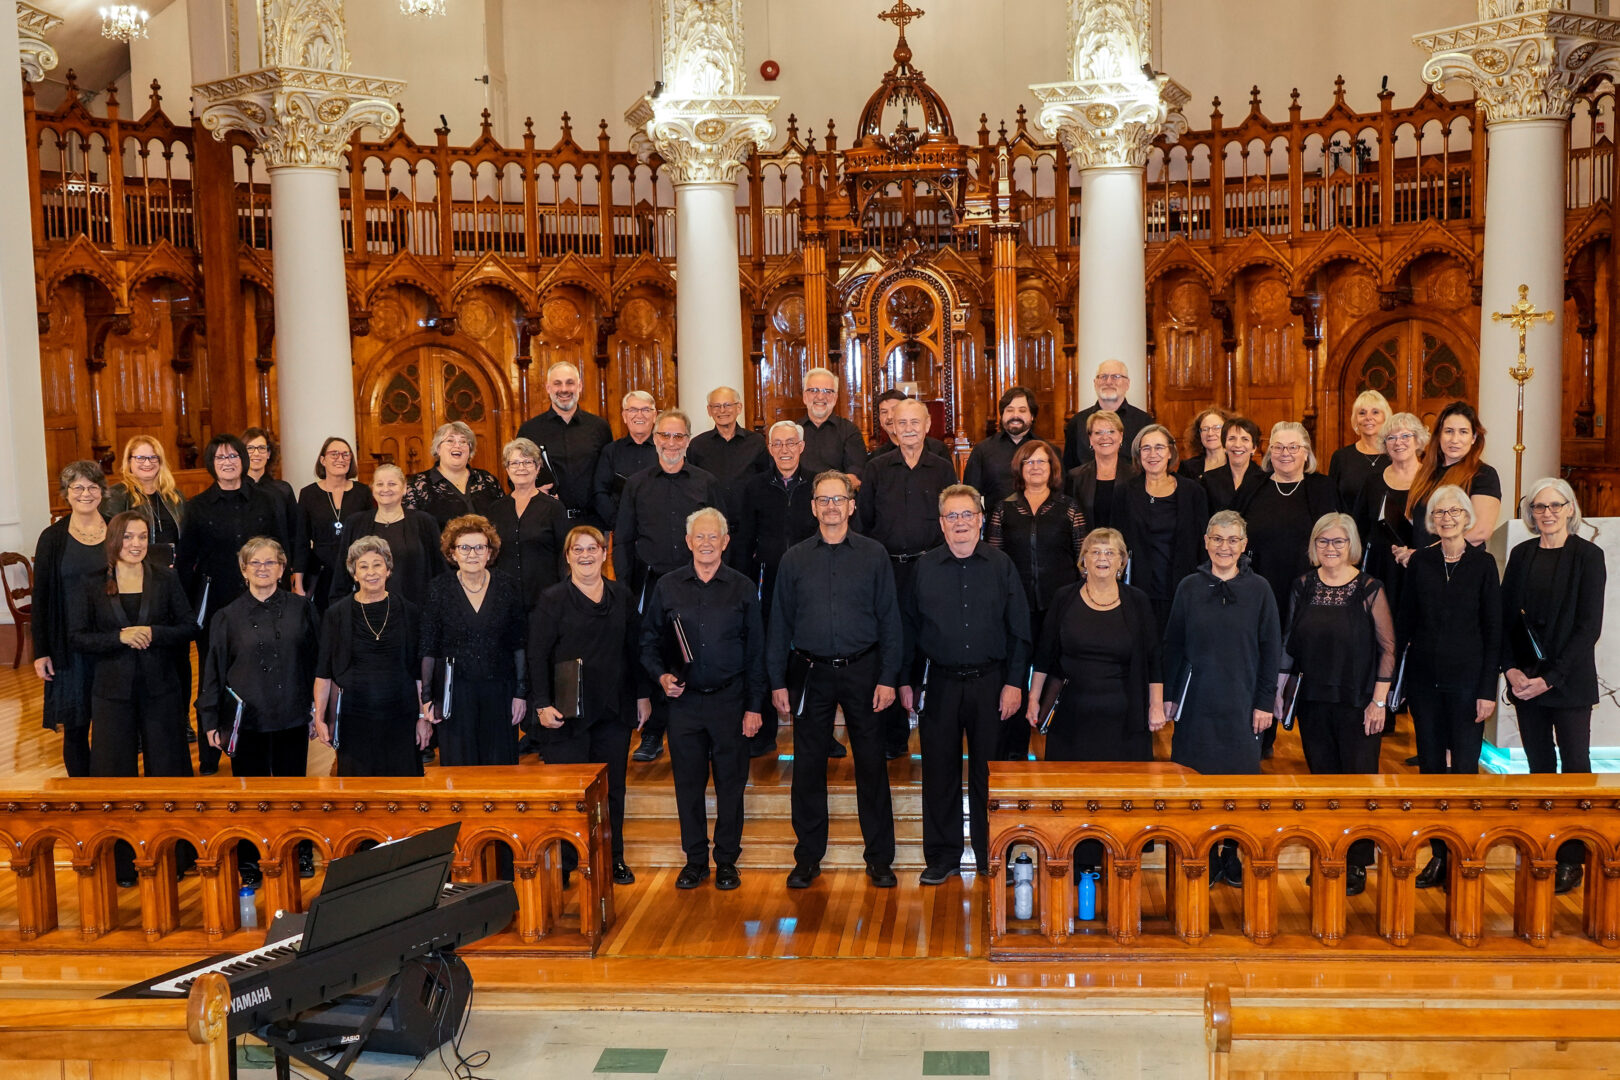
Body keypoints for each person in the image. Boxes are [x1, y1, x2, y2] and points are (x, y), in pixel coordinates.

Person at [768, 471, 903, 890]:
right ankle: (808, 857)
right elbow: (779, 624)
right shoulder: (793, 559)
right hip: (810, 674)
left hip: (865, 671)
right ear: (813, 507)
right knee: (807, 769)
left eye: (837, 500)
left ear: (851, 505)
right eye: (822, 500)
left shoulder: (874, 554)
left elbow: (890, 621)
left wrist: (888, 678)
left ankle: (879, 858)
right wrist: (776, 681)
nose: (830, 507)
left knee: (871, 767)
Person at [901, 485, 1030, 884]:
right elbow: (909, 629)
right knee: (938, 772)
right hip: (939, 683)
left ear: (980, 519)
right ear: (941, 524)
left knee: (989, 775)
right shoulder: (923, 568)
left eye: (966, 515)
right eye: (951, 517)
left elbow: (1020, 631)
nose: (960, 523)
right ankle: (942, 857)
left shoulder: (1001, 565)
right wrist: (906, 681)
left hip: (991, 684)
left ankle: (994, 855)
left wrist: (1014, 684)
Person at [640, 507, 765, 890]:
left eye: (714, 537)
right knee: (688, 786)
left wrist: (754, 706)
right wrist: (661, 677)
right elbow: (647, 644)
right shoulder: (668, 586)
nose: (707, 543)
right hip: (685, 705)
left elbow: (756, 651)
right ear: (688, 541)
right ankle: (695, 860)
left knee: (731, 786)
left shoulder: (743, 587)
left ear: (726, 542)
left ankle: (726, 860)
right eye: (700, 537)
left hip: (731, 702)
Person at [1162, 510, 1281, 887]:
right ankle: (1203, 854)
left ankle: (1231, 855)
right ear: (1206, 542)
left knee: (1238, 788)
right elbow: (1174, 645)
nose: (1224, 547)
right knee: (1196, 784)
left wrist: (1265, 702)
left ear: (1244, 545)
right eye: (1217, 539)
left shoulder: (1260, 589)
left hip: (1242, 702)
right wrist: (1168, 696)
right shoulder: (1188, 587)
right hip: (1197, 702)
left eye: (1232, 540)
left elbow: (1271, 649)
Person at [1278, 513, 1395, 896]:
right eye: (1324, 541)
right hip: (1314, 701)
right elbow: (1288, 644)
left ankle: (1357, 862)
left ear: (1352, 546)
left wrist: (1380, 701)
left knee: (1358, 785)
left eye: (1338, 542)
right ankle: (1329, 855)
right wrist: (1280, 692)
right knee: (1323, 782)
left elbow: (1388, 649)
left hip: (1358, 702)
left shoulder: (1368, 588)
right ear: (1314, 545)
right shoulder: (1303, 586)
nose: (1331, 548)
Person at [1501, 478, 1606, 895]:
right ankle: (1541, 851)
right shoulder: (1521, 554)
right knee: (1538, 769)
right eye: (1539, 507)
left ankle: (1573, 857)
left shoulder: (1589, 556)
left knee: (1576, 769)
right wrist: (1511, 670)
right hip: (1526, 682)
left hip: (1569, 681)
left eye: (1554, 506)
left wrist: (1551, 678)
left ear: (1569, 509)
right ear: (1530, 513)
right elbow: (1506, 618)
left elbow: (1588, 629)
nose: (1546, 513)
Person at [196, 537, 320, 884]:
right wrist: (210, 719)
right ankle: (251, 862)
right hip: (245, 721)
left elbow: (318, 662)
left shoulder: (302, 609)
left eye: (270, 563)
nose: (263, 569)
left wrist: (318, 710)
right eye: (255, 563)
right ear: (244, 569)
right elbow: (214, 672)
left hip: (292, 715)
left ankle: (298, 854)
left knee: (293, 792)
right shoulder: (227, 616)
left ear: (282, 569)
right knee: (249, 797)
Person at [529, 526, 648, 886]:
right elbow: (537, 655)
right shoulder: (552, 598)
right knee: (570, 793)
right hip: (566, 714)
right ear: (567, 556)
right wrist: (541, 704)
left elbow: (635, 650)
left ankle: (614, 859)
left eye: (592, 548)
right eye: (577, 549)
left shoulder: (621, 595)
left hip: (613, 709)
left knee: (613, 791)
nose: (585, 555)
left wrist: (642, 695)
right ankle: (569, 865)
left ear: (604, 553)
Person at [1399, 486, 1501, 891]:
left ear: (1467, 517)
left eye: (1455, 511)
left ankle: (1464, 857)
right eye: (1440, 512)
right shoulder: (1421, 562)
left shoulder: (1484, 564)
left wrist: (1487, 690)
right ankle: (1439, 855)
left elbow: (1493, 631)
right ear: (1432, 520)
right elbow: (1406, 624)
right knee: (1429, 771)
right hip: (1425, 682)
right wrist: (1399, 685)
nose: (1447, 517)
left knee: (1462, 771)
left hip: (1467, 683)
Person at [179, 434, 293, 774]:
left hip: (264, 601)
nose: (227, 463)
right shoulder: (197, 506)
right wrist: (185, 610)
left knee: (263, 672)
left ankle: (259, 744)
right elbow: (186, 562)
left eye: (233, 457)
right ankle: (210, 754)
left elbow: (280, 549)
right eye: (220, 458)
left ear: (244, 460)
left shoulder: (267, 501)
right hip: (216, 603)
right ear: (211, 465)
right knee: (211, 678)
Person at [613, 408, 724, 762]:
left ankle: (699, 730)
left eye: (679, 436)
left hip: (697, 582)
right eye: (665, 436)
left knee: (695, 654)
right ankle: (653, 733)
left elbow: (722, 534)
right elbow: (623, 539)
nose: (671, 443)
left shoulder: (706, 481)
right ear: (655, 439)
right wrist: (626, 590)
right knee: (652, 656)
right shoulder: (637, 483)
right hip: (652, 583)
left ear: (688, 440)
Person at [858, 397, 956, 759]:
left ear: (928, 426)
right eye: (902, 423)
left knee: (928, 642)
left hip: (931, 569)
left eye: (916, 422)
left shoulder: (943, 468)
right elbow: (864, 522)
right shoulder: (877, 468)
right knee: (892, 646)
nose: (909, 429)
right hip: (888, 569)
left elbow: (952, 516)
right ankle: (894, 736)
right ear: (892, 428)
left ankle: (931, 727)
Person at [70, 511, 195, 779]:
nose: (136, 544)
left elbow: (189, 627)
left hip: (161, 687)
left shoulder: (166, 578)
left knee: (168, 768)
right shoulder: (91, 583)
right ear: (113, 540)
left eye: (141, 537)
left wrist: (154, 632)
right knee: (112, 772)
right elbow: (77, 637)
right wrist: (119, 638)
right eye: (127, 537)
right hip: (111, 690)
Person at [1027, 528, 1166, 765]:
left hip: (1125, 719)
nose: (1103, 558)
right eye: (1096, 552)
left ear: (1122, 561)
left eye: (1110, 553)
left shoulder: (1138, 601)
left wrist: (1156, 706)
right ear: (1084, 559)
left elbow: (1153, 658)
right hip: (1070, 718)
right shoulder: (1064, 598)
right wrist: (1033, 699)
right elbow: (1044, 655)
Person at [986, 438, 1084, 762]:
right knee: (1014, 675)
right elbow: (995, 561)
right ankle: (1014, 746)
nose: (1036, 467)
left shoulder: (1068, 508)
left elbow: (1083, 560)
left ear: (1052, 469)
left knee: (1058, 671)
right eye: (1030, 462)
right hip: (1017, 606)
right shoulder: (1004, 508)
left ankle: (1059, 743)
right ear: (1020, 468)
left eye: (1042, 462)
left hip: (1060, 606)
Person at [731, 420, 822, 758]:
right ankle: (765, 731)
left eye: (791, 443)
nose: (785, 449)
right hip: (766, 581)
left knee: (811, 653)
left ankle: (818, 732)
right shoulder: (753, 487)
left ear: (802, 446)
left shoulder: (817, 483)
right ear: (769, 448)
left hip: (810, 580)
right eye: (778, 444)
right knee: (769, 650)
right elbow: (743, 541)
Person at [313, 536, 431, 777]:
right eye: (363, 566)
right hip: (353, 718)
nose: (371, 572)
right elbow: (324, 673)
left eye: (377, 564)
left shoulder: (410, 611)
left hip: (401, 715)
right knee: (358, 796)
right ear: (354, 574)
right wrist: (320, 718)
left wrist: (422, 717)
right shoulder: (336, 614)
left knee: (404, 793)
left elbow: (419, 672)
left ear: (388, 569)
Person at [419, 515, 528, 767]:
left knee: (500, 767)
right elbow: (429, 645)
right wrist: (427, 696)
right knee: (459, 768)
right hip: (454, 693)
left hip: (500, 690)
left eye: (480, 547)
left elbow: (519, 642)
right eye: (464, 547)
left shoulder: (507, 586)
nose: (472, 554)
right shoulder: (438, 588)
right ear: (452, 553)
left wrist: (520, 694)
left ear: (490, 552)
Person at [32, 461, 110, 775]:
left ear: (102, 492)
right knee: (77, 725)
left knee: (113, 721)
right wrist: (41, 651)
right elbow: (42, 598)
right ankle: (83, 792)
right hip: (68, 645)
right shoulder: (53, 538)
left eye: (92, 487)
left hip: (111, 640)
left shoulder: (118, 529)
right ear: (66, 494)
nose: (85, 493)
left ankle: (113, 790)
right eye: (77, 487)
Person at [1116, 424, 1210, 630]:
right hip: (1139, 588)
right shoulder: (1125, 492)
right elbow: (1117, 542)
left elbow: (1204, 544)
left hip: (1183, 586)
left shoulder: (1193, 492)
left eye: (1159, 447)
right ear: (1138, 455)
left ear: (1170, 452)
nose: (1152, 454)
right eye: (1146, 448)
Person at [1244, 421, 1339, 619]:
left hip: (1309, 587)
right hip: (1259, 585)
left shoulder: (1323, 488)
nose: (1284, 453)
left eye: (1293, 447)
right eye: (1277, 447)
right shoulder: (1252, 486)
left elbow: (1338, 539)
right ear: (1270, 453)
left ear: (1306, 453)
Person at [515, 361, 614, 528]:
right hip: (546, 522)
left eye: (570, 383)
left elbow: (608, 476)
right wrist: (534, 490)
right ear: (548, 388)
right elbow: (516, 476)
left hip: (592, 523)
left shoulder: (599, 427)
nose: (564, 389)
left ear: (579, 386)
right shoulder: (529, 430)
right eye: (557, 383)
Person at [329, 464, 443, 607]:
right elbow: (342, 573)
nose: (385, 489)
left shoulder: (425, 522)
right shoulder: (355, 523)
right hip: (368, 612)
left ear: (404, 488)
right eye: (380, 484)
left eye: (392, 484)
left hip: (416, 611)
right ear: (372, 489)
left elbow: (440, 572)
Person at [1351, 412, 1427, 611]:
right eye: (1391, 438)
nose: (1398, 442)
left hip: (1420, 566)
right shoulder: (1372, 482)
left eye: (1405, 436)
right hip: (1380, 567)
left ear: (1418, 440)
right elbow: (1358, 527)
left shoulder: (1433, 481)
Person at [1406, 402, 1501, 553]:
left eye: (1463, 432)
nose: (1454, 439)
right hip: (1423, 567)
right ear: (1439, 436)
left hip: (1460, 566)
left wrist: (1427, 554)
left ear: (1474, 437)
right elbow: (1415, 524)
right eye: (1449, 431)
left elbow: (1480, 532)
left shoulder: (1483, 474)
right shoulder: (1426, 473)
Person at [487, 438, 570, 610]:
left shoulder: (554, 507)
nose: (521, 468)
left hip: (546, 598)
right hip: (504, 598)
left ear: (538, 468)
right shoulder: (495, 510)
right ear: (507, 469)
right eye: (515, 463)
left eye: (527, 462)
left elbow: (564, 555)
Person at [296, 436, 374, 612]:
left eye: (346, 454)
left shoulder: (362, 492)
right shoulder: (308, 494)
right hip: (321, 572)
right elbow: (301, 541)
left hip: (356, 570)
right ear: (323, 460)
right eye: (334, 454)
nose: (341, 458)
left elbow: (371, 535)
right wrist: (298, 584)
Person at [687, 385, 769, 518]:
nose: (722, 410)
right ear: (709, 410)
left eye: (727, 405)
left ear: (739, 408)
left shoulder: (756, 442)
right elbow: (692, 486)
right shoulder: (697, 445)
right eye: (716, 406)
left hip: (749, 520)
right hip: (711, 522)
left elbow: (765, 480)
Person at [104, 435, 186, 568]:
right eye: (140, 458)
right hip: (135, 570)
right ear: (129, 461)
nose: (147, 463)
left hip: (172, 571)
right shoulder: (117, 495)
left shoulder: (174, 496)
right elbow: (111, 540)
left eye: (153, 457)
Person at [406, 421, 503, 529]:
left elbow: (503, 519)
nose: (457, 446)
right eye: (450, 440)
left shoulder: (488, 480)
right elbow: (411, 529)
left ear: (470, 450)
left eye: (463, 441)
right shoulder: (418, 485)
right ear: (438, 449)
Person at [1062, 359, 1154, 472]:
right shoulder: (1077, 422)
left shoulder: (1144, 422)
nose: (1109, 382)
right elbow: (1069, 466)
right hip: (1086, 488)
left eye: (1116, 376)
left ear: (1127, 384)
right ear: (1095, 383)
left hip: (1131, 488)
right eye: (1103, 377)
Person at [964, 387, 1039, 509]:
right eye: (1009, 410)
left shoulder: (1047, 451)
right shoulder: (983, 450)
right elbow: (970, 496)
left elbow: (1058, 494)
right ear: (1002, 415)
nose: (1015, 415)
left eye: (1022, 410)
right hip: (995, 525)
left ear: (1032, 416)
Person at [1063, 410, 1137, 531]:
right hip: (1087, 546)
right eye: (1098, 432)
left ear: (1121, 436)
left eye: (1111, 431)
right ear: (1090, 439)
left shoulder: (1135, 475)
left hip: (1124, 547)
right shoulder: (1075, 477)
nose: (1105, 437)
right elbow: (1069, 522)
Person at [243, 427, 300, 584]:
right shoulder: (234, 491)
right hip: (245, 568)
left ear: (268, 454)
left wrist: (294, 567)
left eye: (262, 448)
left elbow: (294, 533)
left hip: (278, 567)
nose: (256, 453)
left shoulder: (283, 490)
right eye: (250, 448)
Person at [593, 390, 659, 526]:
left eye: (646, 409)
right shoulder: (611, 451)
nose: (639, 415)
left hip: (659, 529)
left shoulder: (666, 450)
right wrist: (618, 523)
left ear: (654, 416)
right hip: (620, 530)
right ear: (624, 416)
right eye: (633, 410)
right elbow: (600, 492)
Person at [795, 366, 868, 481]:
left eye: (827, 391)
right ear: (805, 397)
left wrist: (824, 492)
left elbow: (855, 476)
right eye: (813, 390)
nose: (820, 396)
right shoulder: (792, 431)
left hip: (835, 496)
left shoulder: (849, 431)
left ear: (835, 398)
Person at [1327, 389, 1392, 509]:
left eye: (1375, 412)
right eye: (1362, 413)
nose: (1368, 418)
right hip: (1349, 526)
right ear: (1356, 420)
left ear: (1385, 418)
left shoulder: (1395, 456)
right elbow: (1331, 501)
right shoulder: (1341, 457)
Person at [1203, 416, 1265, 513]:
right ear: (1224, 446)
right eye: (1232, 438)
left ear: (1254, 447)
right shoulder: (1208, 480)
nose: (1237, 445)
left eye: (1245, 439)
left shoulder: (1265, 480)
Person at [870, 388, 950, 461]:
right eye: (884, 412)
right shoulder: (876, 458)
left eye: (895, 410)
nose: (890, 417)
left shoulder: (938, 449)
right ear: (880, 420)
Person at [1176, 407, 1230, 482]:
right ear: (1199, 434)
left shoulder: (1238, 464)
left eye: (1216, 428)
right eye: (1205, 429)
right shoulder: (1188, 467)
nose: (1210, 433)